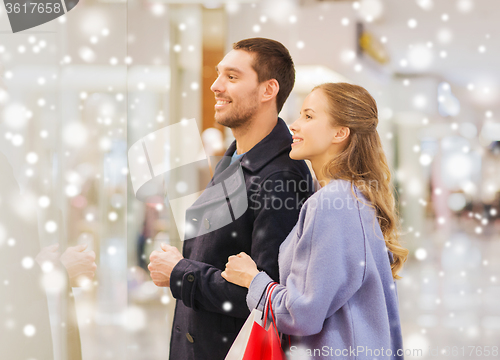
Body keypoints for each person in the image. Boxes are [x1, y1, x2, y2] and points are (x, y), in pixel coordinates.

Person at [148, 38, 314, 360]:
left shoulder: (280, 178)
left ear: (268, 90)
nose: (215, 85)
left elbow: (268, 296)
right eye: (218, 74)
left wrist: (179, 272)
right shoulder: (235, 158)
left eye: (232, 77)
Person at [222, 82, 409, 360]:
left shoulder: (332, 202)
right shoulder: (350, 195)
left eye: (308, 116)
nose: (294, 125)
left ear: (340, 132)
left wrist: (252, 280)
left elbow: (302, 313)